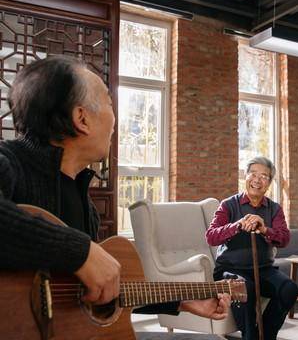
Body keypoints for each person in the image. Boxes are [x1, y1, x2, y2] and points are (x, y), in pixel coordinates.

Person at [0, 55, 229, 319]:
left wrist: (180, 302)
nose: (114, 120)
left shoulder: (83, 203)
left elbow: (92, 292)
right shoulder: (9, 162)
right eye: (109, 103)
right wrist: (80, 251)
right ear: (81, 119)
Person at [205, 156, 298, 340]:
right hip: (230, 270)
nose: (257, 180)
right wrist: (237, 225)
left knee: (289, 289)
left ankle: (266, 335)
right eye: (253, 174)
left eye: (264, 176)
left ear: (269, 183)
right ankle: (251, 336)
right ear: (245, 176)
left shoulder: (274, 209)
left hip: (263, 270)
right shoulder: (228, 205)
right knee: (244, 288)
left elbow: (284, 238)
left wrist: (264, 229)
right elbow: (211, 236)